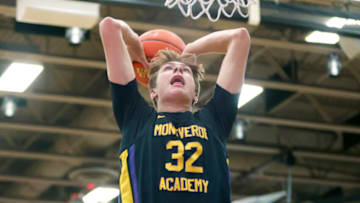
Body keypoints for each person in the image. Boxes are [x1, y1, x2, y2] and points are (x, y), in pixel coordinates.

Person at [99, 16, 250, 203]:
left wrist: (192, 48)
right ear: (153, 91)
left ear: (196, 94)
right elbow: (109, 27)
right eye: (169, 68)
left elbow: (240, 38)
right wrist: (135, 44)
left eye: (185, 70)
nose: (178, 70)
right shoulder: (136, 118)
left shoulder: (214, 120)